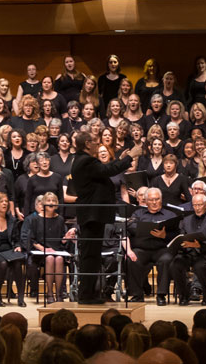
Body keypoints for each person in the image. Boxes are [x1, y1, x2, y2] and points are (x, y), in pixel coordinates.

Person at [70, 130, 142, 304]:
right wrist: (130, 157)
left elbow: (105, 170)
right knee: (90, 256)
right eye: (95, 142)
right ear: (87, 144)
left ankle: (90, 293)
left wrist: (119, 159)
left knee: (93, 255)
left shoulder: (82, 160)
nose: (97, 144)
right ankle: (86, 295)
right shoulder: (86, 160)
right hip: (92, 214)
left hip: (94, 214)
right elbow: (108, 170)